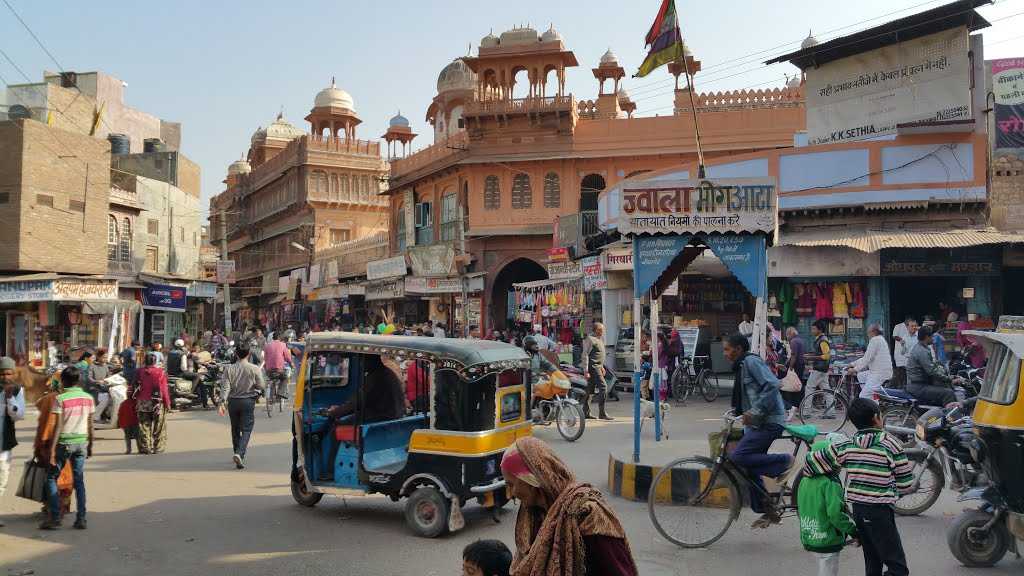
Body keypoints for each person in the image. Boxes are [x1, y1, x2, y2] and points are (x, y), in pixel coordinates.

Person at [805, 398, 913, 576]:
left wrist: (811, 473)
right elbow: (906, 483)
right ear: (877, 418)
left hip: (859, 511)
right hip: (880, 511)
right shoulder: (890, 444)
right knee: (897, 567)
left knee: (872, 559)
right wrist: (892, 487)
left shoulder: (846, 445)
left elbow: (812, 460)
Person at [501, 436, 638, 576]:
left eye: (511, 485)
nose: (509, 495)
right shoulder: (531, 516)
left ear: (532, 479)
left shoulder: (587, 515)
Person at [724, 332, 791, 528]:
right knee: (748, 467)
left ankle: (784, 461)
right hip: (756, 423)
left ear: (738, 349)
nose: (725, 354)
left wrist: (754, 411)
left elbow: (772, 385)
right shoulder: (741, 366)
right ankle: (766, 508)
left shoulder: (751, 362)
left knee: (738, 457)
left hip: (770, 420)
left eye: (727, 349)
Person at [40, 366, 94, 530]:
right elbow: (90, 424)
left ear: (62, 381)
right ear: (78, 381)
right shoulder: (88, 398)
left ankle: (55, 517)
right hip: (81, 442)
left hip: (64, 442)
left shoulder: (61, 399)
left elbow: (58, 426)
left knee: (51, 477)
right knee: (79, 481)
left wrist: (52, 450)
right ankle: (81, 518)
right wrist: (91, 443)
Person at [797, 434, 859, 576]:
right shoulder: (830, 483)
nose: (840, 464)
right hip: (828, 539)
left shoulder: (804, 481)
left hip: (809, 535)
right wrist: (853, 530)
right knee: (828, 570)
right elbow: (835, 514)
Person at [218, 346, 265, 469]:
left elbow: (225, 387)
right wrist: (256, 388)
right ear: (248, 354)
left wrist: (222, 401)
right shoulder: (254, 368)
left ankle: (236, 452)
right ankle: (240, 453)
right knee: (247, 429)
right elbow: (261, 386)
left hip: (233, 402)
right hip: (248, 401)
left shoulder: (229, 369)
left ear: (236, 354)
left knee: (235, 428)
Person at [326, 355, 405, 423]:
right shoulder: (386, 372)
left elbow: (358, 402)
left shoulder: (375, 377)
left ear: (369, 362)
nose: (361, 364)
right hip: (394, 414)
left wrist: (334, 413)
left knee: (337, 425)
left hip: (382, 416)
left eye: (362, 361)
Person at [0, 357, 25, 528]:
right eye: (2, 373)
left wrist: (10, 400)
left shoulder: (17, 391)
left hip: (4, 445)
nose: (5, 377)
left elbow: (19, 415)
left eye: (8, 373)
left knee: (2, 479)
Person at [905, 326, 959, 407]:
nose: (933, 338)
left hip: (920, 384)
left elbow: (934, 366)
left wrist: (948, 375)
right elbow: (932, 371)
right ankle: (949, 418)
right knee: (948, 393)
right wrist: (949, 379)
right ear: (927, 337)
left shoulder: (923, 348)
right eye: (932, 336)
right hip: (918, 387)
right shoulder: (921, 351)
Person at [136, 352, 171, 455]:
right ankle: (158, 447)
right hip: (157, 402)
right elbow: (164, 389)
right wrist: (167, 403)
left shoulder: (139, 372)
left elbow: (134, 386)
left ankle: (145, 447)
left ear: (144, 361)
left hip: (142, 402)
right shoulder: (160, 372)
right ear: (155, 361)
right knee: (159, 426)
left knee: (143, 425)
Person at [847, 323, 893, 400]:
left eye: (868, 332)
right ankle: (874, 398)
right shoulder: (880, 339)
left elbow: (867, 359)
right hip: (878, 371)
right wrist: (852, 364)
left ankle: (871, 402)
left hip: (879, 373)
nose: (868, 334)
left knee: (863, 395)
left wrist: (854, 369)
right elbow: (866, 357)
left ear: (873, 332)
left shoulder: (875, 340)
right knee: (861, 376)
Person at [580, 323, 613, 421]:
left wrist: (602, 366)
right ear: (596, 330)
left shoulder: (600, 339)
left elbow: (600, 354)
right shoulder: (589, 339)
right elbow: (585, 355)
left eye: (603, 329)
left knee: (590, 390)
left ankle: (585, 412)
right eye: (600, 330)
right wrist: (586, 370)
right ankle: (602, 413)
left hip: (598, 367)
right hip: (593, 367)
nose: (602, 331)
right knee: (603, 387)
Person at [805, 319, 834, 418]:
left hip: (819, 368)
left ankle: (806, 412)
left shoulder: (822, 340)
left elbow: (826, 356)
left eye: (814, 329)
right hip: (822, 368)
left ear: (820, 330)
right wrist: (810, 355)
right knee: (827, 390)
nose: (812, 331)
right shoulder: (820, 339)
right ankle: (831, 413)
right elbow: (820, 353)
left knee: (809, 388)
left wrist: (811, 357)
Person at [167, 339, 204, 408]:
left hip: (170, 373)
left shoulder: (170, 353)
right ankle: (190, 392)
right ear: (182, 346)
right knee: (197, 376)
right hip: (179, 373)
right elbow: (183, 368)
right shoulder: (182, 354)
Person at [784, 326, 807, 421]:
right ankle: (798, 406)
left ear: (791, 334)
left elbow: (794, 356)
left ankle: (793, 406)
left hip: (796, 367)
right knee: (798, 386)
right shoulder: (800, 340)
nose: (787, 337)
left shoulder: (793, 341)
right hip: (801, 366)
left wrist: (790, 368)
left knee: (792, 387)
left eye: (787, 335)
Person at [263, 332, 293, 401]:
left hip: (269, 371)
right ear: (279, 338)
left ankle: (271, 397)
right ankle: (280, 392)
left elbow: (265, 359)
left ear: (272, 338)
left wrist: (266, 369)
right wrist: (291, 364)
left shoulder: (267, 346)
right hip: (279, 370)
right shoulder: (283, 345)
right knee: (285, 378)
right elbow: (287, 357)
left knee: (272, 379)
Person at [892, 316, 917, 388]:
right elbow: (894, 336)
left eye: (914, 325)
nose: (913, 327)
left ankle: (907, 386)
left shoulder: (916, 334)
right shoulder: (898, 326)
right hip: (900, 351)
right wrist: (902, 340)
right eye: (911, 325)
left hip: (912, 357)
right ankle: (901, 385)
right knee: (900, 370)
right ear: (907, 321)